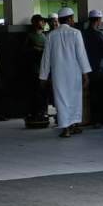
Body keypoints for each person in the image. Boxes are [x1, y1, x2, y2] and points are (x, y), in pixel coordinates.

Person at [39, 8, 92, 137]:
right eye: (72, 18)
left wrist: (43, 76)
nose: (73, 21)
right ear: (68, 19)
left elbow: (46, 58)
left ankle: (66, 129)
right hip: (74, 73)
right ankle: (73, 125)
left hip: (59, 74)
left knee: (61, 100)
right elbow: (81, 55)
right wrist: (85, 74)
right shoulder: (76, 33)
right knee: (74, 99)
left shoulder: (51, 35)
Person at [23, 14, 49, 123]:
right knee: (36, 92)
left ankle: (43, 112)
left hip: (45, 68)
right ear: (35, 23)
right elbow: (25, 50)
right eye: (40, 21)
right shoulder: (30, 36)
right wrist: (36, 49)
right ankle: (36, 113)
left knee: (44, 92)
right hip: (35, 68)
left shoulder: (46, 36)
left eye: (43, 21)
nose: (42, 23)